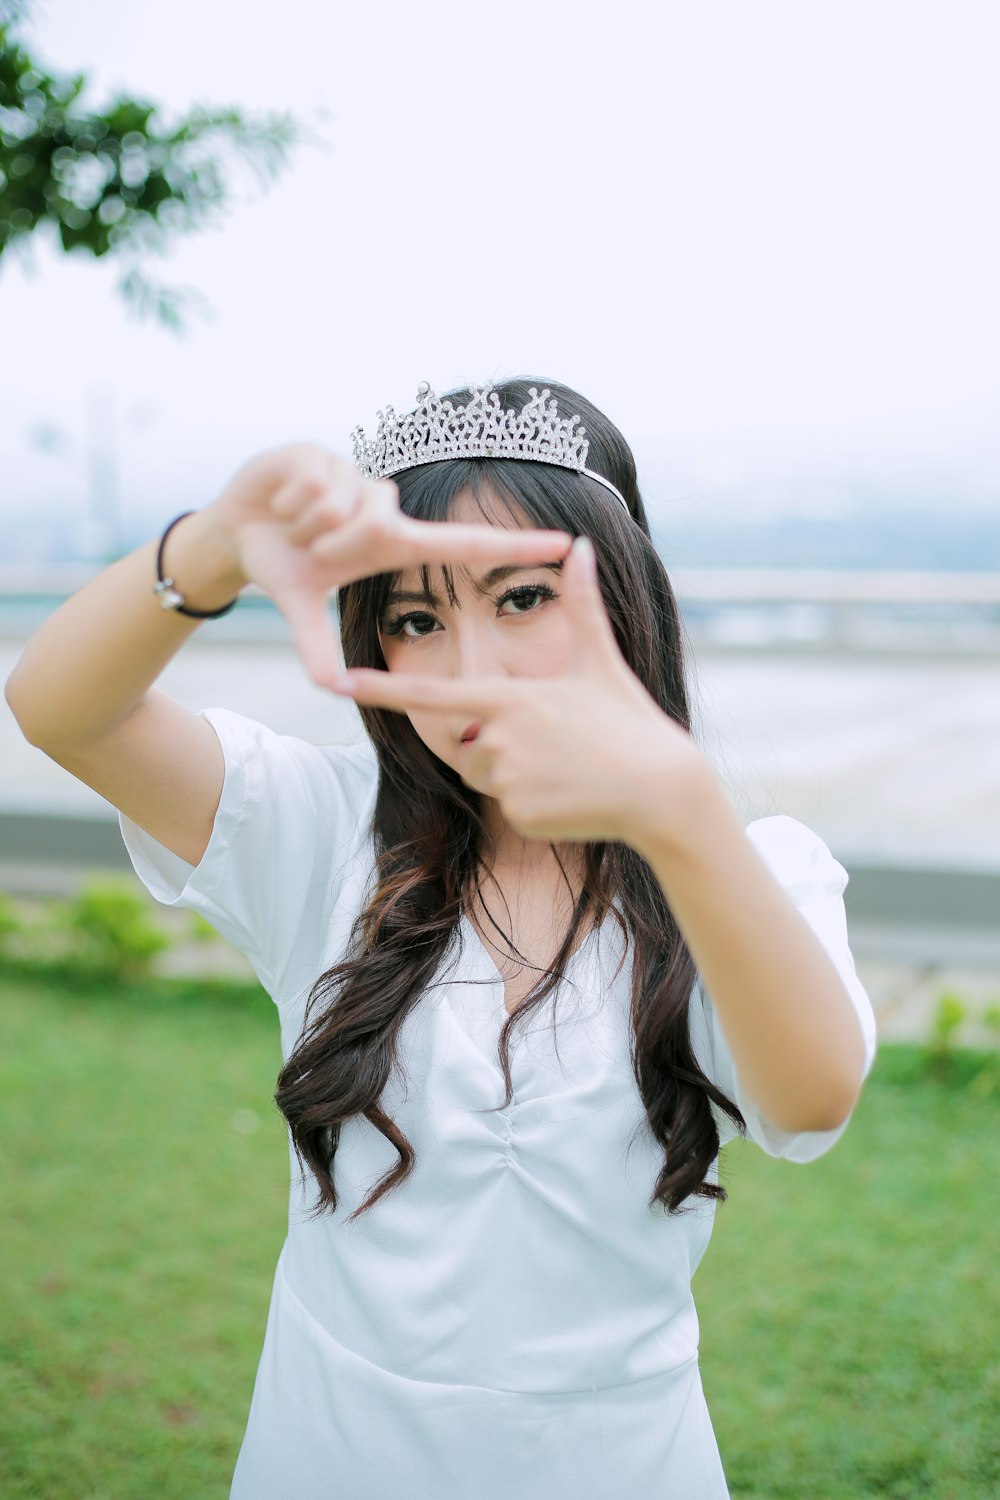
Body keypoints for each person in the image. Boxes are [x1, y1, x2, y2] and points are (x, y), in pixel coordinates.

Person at [6, 378, 878, 1499]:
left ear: (625, 601)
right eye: (416, 619)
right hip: (327, 1449)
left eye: (521, 596)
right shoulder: (325, 835)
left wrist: (678, 810)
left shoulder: (740, 869)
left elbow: (810, 1099)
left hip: (616, 1464)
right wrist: (218, 542)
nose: (470, 663)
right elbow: (59, 708)